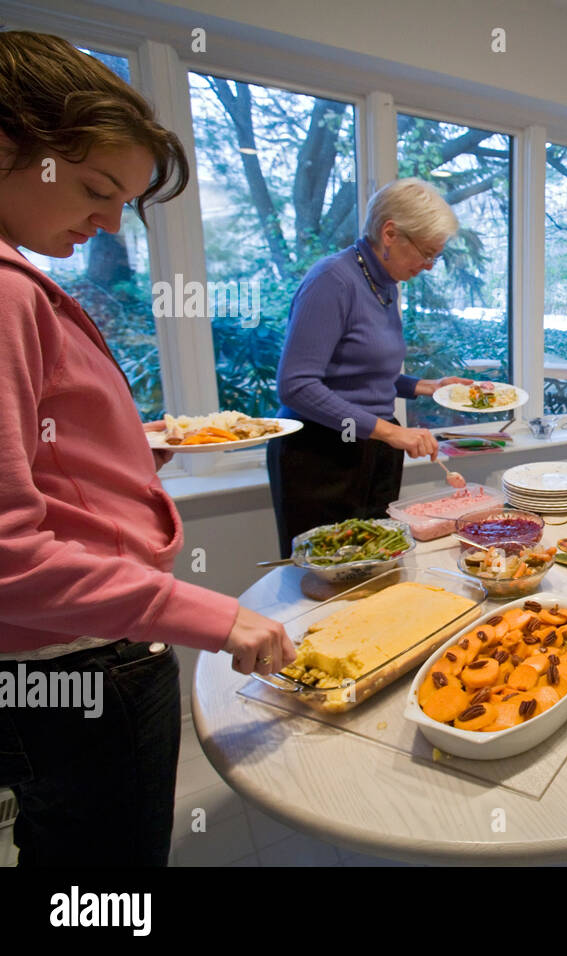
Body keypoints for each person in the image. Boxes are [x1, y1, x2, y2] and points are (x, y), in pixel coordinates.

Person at [0, 31, 295, 866]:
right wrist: (214, 615)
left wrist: (129, 451)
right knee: (109, 874)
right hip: (84, 657)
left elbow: (38, 464)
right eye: (96, 188)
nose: (107, 220)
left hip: (55, 654)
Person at [267, 178, 471, 557]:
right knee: (327, 575)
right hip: (322, 454)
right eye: (426, 253)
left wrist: (425, 386)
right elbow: (295, 386)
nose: (428, 266)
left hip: (371, 450)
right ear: (390, 233)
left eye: (435, 257)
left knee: (375, 563)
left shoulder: (385, 285)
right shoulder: (333, 280)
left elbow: (362, 372)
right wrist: (391, 433)